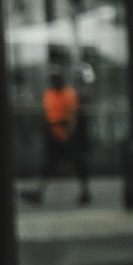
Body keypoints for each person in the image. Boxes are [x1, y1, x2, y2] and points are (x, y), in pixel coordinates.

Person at [22, 72, 90, 206]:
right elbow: (47, 114)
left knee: (78, 162)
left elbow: (72, 115)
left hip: (66, 133)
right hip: (53, 133)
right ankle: (38, 192)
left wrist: (69, 134)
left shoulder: (68, 94)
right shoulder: (48, 94)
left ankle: (85, 192)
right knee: (49, 163)